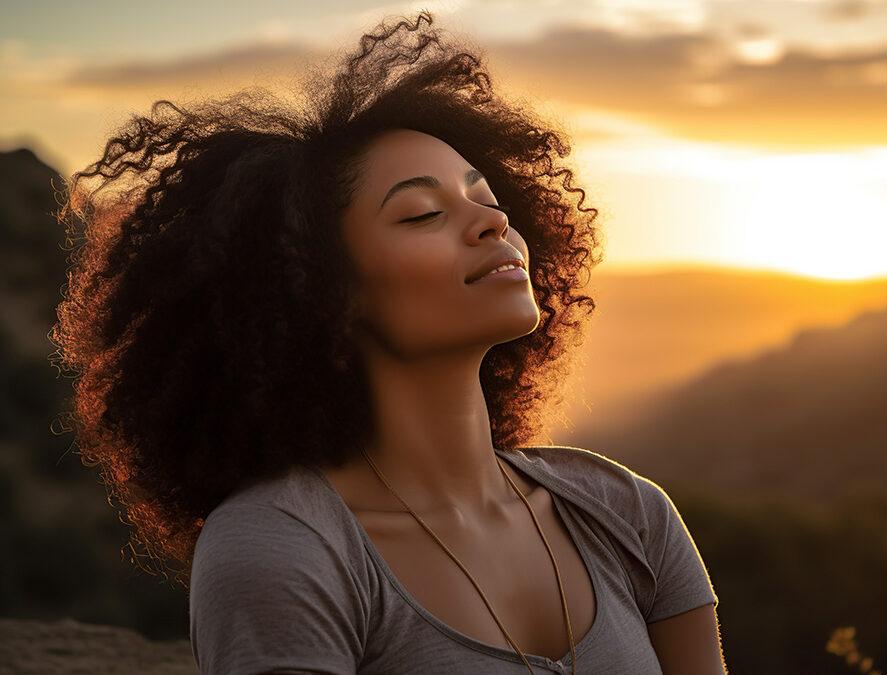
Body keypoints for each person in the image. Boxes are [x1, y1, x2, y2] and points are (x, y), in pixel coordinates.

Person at [52, 10, 727, 674]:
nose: (491, 221)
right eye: (423, 212)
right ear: (322, 289)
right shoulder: (284, 548)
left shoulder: (628, 514)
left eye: (488, 197)